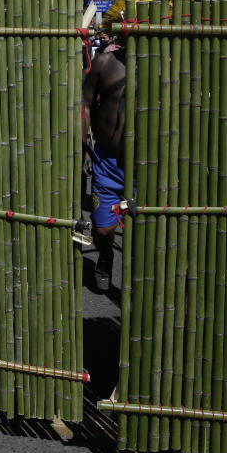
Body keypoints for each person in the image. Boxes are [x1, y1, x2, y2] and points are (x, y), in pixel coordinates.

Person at [82, 34, 126, 293]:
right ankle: (106, 256)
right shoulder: (105, 63)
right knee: (102, 227)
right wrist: (85, 148)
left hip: (146, 166)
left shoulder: (168, 64)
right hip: (106, 162)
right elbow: (85, 103)